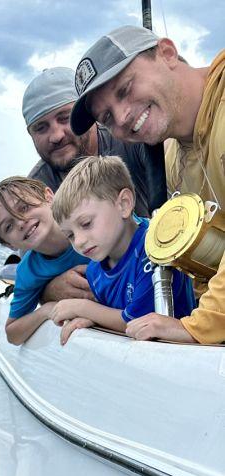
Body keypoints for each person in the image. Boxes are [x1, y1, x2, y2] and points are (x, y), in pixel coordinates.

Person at [70, 25, 225, 344]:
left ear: (167, 53)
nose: (123, 117)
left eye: (125, 89)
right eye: (108, 118)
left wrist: (198, 326)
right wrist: (109, 315)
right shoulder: (170, 159)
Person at [22, 66, 165, 305]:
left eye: (64, 118)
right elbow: (30, 266)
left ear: (85, 114)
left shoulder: (133, 139)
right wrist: (49, 290)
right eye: (41, 127)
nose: (56, 135)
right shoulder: (36, 189)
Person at [49, 156, 195, 344]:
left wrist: (83, 308)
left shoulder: (156, 248)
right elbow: (114, 318)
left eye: (86, 224)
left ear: (124, 204)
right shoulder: (95, 271)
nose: (79, 241)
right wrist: (94, 319)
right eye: (69, 235)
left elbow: (140, 321)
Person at [0, 176, 89, 344]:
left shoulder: (90, 221)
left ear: (49, 197)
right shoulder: (28, 271)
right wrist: (46, 310)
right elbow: (13, 334)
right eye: (8, 226)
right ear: (9, 245)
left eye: (24, 208)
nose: (21, 222)